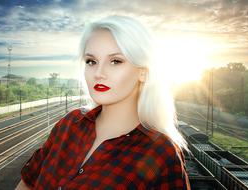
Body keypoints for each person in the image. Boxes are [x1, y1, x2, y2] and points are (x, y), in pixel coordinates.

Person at [15, 15, 190, 190]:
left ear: (142, 72)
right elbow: (27, 184)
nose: (99, 73)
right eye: (91, 61)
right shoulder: (69, 124)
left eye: (115, 61)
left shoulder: (161, 153)